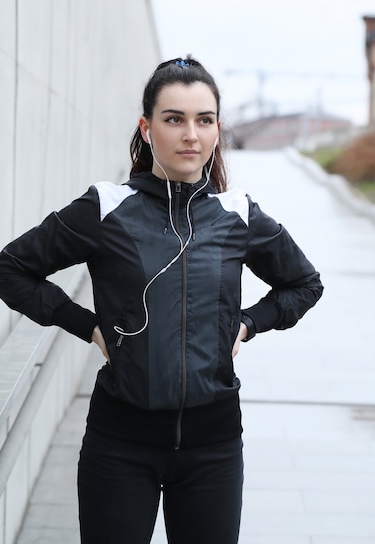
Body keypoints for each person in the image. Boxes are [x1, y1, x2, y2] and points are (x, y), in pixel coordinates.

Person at [0, 57, 323, 544]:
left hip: (213, 446)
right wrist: (87, 325)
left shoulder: (236, 215)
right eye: (174, 119)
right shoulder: (106, 208)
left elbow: (304, 283)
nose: (191, 134)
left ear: (217, 130)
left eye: (204, 120)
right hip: (120, 443)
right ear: (147, 128)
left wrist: (247, 323)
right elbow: (12, 267)